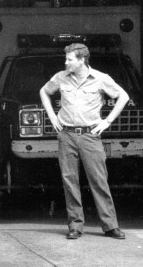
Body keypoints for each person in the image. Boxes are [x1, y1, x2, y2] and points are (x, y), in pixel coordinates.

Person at [40, 42, 129, 240]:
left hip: (90, 135)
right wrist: (52, 117)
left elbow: (123, 96)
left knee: (98, 180)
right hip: (67, 135)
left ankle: (110, 225)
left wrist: (107, 121)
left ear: (81, 60)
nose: (66, 62)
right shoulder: (60, 77)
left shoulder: (100, 78)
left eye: (69, 59)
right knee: (69, 180)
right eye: (66, 58)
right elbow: (44, 91)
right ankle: (75, 225)